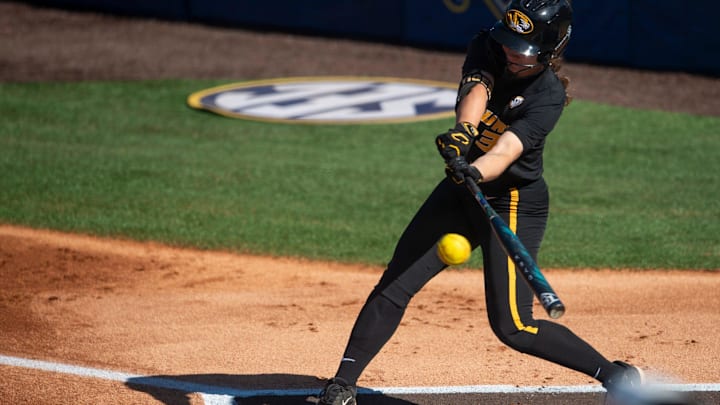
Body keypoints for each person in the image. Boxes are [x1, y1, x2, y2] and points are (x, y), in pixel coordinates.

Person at [317, 1, 645, 404]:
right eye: (509, 42)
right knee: (394, 286)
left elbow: (507, 150)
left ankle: (618, 376)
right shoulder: (488, 45)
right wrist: (462, 136)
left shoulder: (548, 96)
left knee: (513, 327)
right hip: (461, 191)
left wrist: (477, 170)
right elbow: (478, 87)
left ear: (548, 50)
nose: (509, 51)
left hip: (512, 202)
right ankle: (342, 385)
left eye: (521, 48)